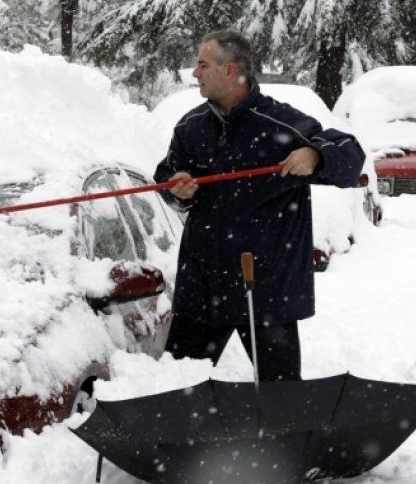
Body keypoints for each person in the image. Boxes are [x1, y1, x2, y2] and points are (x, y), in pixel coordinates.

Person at [154, 31, 365, 381]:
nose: (195, 73)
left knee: (281, 399)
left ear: (230, 69)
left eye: (202, 65)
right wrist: (178, 185)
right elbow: (167, 174)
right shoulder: (191, 127)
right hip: (204, 288)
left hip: (267, 293)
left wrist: (315, 155)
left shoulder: (282, 124)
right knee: (178, 391)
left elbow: (350, 155)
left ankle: (281, 438)